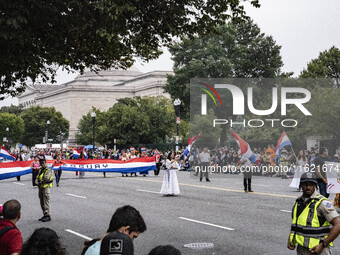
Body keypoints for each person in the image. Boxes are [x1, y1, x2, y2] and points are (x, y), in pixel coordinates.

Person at [288, 172, 340, 255]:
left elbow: (338, 225)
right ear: (301, 185)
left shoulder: (322, 203)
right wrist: (291, 238)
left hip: (318, 250)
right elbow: (296, 224)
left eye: (311, 184)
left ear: (315, 186)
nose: (308, 187)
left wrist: (323, 245)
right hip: (301, 249)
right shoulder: (298, 202)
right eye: (305, 184)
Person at [35, 158, 53, 222]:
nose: (41, 164)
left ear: (45, 162)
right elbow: (37, 176)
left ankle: (48, 215)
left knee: (46, 201)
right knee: (42, 201)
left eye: (43, 162)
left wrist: (40, 182)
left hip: (45, 187)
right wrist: (36, 182)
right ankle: (44, 214)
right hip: (40, 187)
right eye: (40, 163)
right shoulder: (40, 170)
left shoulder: (48, 170)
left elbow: (46, 178)